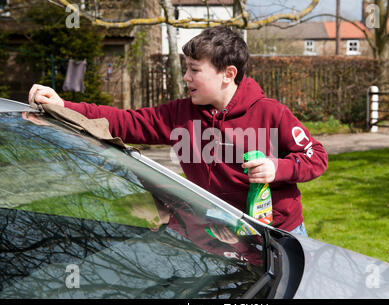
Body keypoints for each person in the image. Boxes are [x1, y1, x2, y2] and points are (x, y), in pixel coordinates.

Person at [28, 26, 328, 236]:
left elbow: (317, 156)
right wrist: (63, 105)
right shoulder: (180, 113)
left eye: (194, 70)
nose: (186, 77)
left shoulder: (271, 112)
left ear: (228, 74)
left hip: (279, 233)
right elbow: (123, 121)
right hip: (219, 233)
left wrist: (278, 167)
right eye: (187, 68)